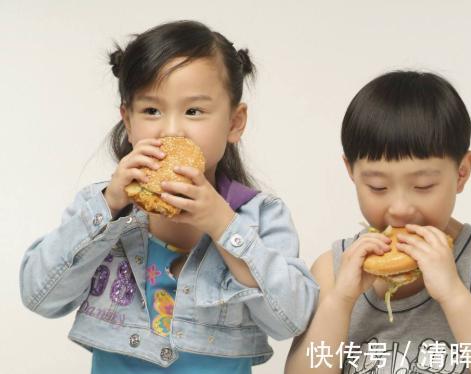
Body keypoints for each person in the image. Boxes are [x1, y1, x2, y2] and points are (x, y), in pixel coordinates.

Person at [20, 20, 318, 373]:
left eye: (194, 111)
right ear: (128, 122)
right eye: (151, 111)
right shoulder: (102, 207)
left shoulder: (260, 216)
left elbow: (291, 321)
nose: (172, 130)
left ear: (235, 122)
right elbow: (39, 295)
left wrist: (224, 226)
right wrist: (108, 205)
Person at [285, 71, 471, 374]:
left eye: (424, 186)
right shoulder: (333, 269)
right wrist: (340, 301)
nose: (400, 209)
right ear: (350, 171)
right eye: (378, 187)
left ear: (461, 173)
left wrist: (453, 293)